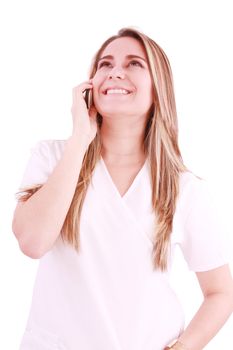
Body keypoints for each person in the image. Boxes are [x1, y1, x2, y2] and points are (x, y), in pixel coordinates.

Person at [12, 27, 233, 350]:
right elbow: (32, 242)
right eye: (105, 64)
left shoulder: (183, 189)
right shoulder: (53, 157)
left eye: (133, 64)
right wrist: (79, 141)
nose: (115, 72)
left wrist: (183, 348)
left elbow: (220, 292)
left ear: (158, 89)